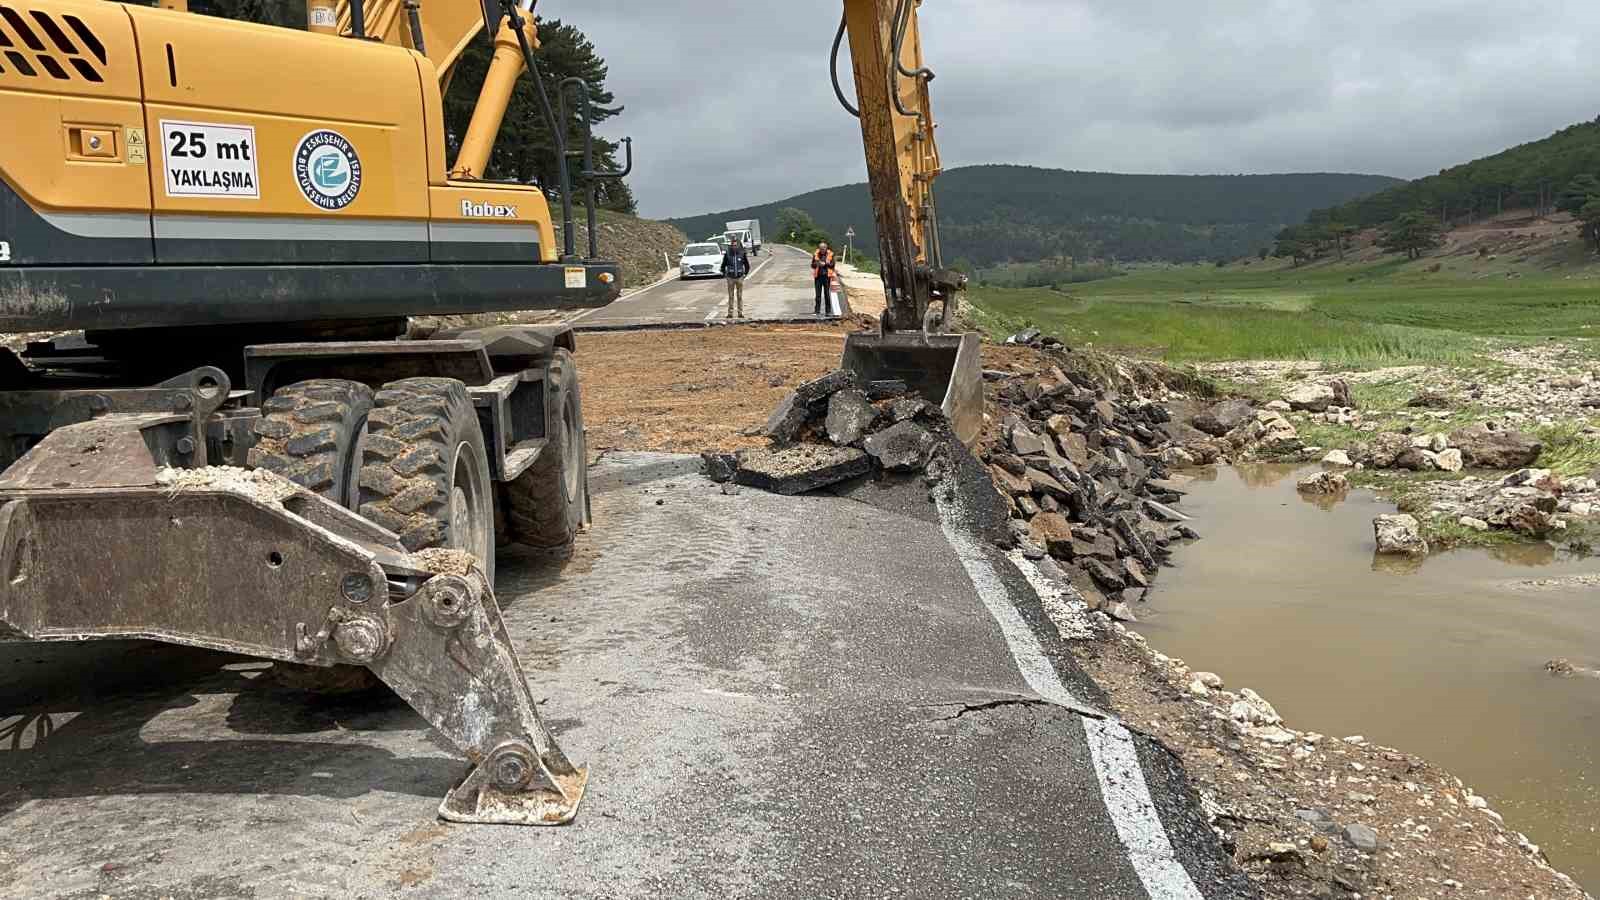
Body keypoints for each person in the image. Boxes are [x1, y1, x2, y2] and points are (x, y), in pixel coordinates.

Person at [722, 237, 751, 318]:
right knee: (731, 296)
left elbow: (747, 265)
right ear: (731, 246)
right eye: (732, 245)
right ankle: (730, 313)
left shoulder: (742, 253)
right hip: (730, 278)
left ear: (738, 245)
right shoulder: (727, 254)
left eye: (735, 245)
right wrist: (725, 275)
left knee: (739, 296)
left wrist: (745, 274)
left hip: (739, 278)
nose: (734, 246)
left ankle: (740, 312)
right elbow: (723, 266)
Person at [811, 241, 836, 316]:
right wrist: (817, 264)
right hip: (818, 277)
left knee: (826, 294)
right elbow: (812, 265)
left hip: (826, 277)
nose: (822, 250)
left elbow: (832, 265)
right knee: (818, 295)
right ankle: (817, 310)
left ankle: (828, 311)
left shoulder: (830, 254)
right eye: (820, 248)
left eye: (823, 248)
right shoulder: (816, 254)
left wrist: (825, 264)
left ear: (826, 248)